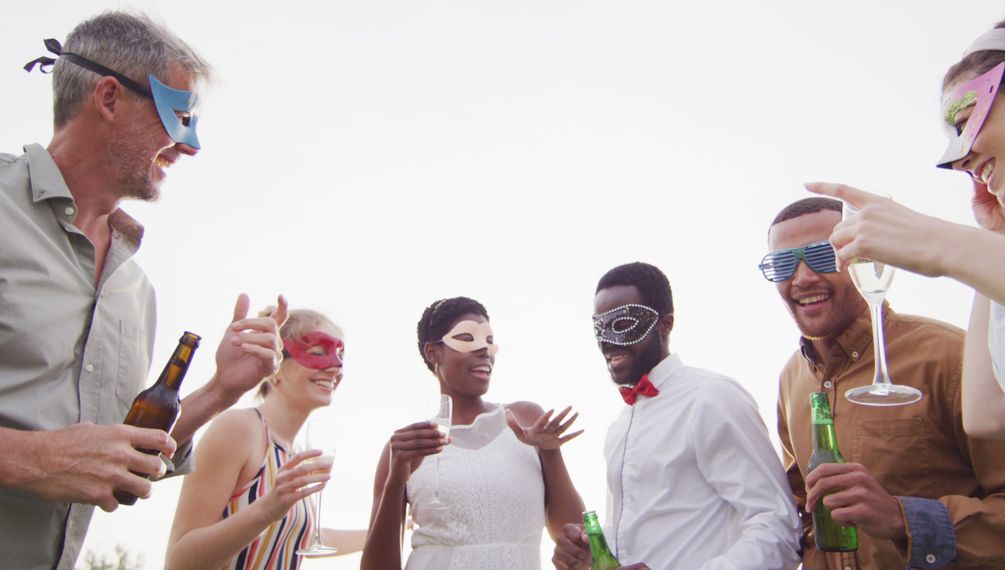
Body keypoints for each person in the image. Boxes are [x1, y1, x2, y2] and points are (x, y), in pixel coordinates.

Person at [0, 12, 287, 570]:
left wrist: (217, 392)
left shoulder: (134, 289)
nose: (190, 147)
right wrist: (26, 458)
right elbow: (56, 460)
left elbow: (120, 454)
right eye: (179, 117)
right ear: (109, 97)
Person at [806, 0, 1005, 553]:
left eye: (964, 120)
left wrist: (945, 245)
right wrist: (996, 242)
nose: (956, 159)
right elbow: (989, 413)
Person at [764, 197, 1005, 569]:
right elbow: (807, 515)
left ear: (864, 257)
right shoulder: (791, 380)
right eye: (783, 263)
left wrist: (901, 518)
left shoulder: (949, 356)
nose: (802, 277)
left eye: (823, 255)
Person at [553, 262, 801, 570]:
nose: (608, 340)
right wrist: (590, 550)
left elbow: (778, 527)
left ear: (666, 324)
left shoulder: (712, 397)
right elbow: (641, 539)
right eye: (600, 328)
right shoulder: (620, 425)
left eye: (622, 324)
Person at [362, 296, 585, 570]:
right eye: (467, 338)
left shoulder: (525, 419)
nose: (484, 350)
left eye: (490, 341)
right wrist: (396, 480)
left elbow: (575, 535)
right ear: (433, 352)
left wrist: (550, 451)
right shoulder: (407, 447)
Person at [166, 308, 367, 569]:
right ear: (276, 364)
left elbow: (299, 535)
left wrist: (390, 524)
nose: (335, 367)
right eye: (318, 353)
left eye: (341, 356)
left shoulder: (293, 454)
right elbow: (179, 561)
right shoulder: (239, 429)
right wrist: (267, 509)